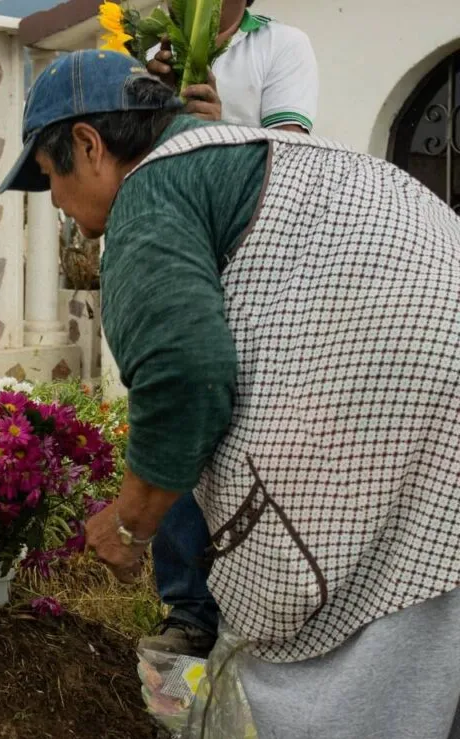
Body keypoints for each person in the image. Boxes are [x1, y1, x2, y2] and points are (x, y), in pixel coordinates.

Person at [0, 50, 460, 739]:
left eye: (50, 176)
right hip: (434, 410)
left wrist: (128, 520)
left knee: (343, 677)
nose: (54, 201)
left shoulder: (151, 191)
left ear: (88, 145)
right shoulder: (265, 152)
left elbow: (185, 374)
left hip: (408, 418)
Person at [140, 0, 320, 659]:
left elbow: (296, 158)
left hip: (259, 271)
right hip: (180, 259)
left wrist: (217, 127)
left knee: (258, 432)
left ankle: (266, 609)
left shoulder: (281, 46)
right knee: (182, 414)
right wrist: (153, 106)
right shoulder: (148, 50)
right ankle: (190, 607)